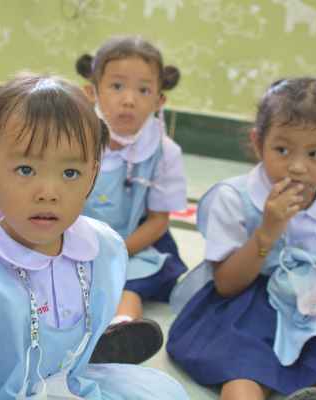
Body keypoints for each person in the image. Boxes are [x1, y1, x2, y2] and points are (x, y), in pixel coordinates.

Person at [0, 74, 189, 399]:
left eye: (70, 173)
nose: (48, 193)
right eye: (26, 170)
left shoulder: (101, 248)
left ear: (92, 175)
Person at [167, 78, 316, 400]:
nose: (297, 167)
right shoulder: (234, 197)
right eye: (282, 150)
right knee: (241, 386)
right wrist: (267, 231)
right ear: (258, 142)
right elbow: (226, 284)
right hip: (242, 314)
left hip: (312, 319)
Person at [76, 36, 188, 364]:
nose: (129, 100)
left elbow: (158, 221)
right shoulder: (74, 136)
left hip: (134, 242)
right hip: (71, 234)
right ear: (92, 92)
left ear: (159, 100)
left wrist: (117, 252)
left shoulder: (164, 151)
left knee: (131, 283)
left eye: (143, 90)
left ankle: (121, 331)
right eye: (116, 86)